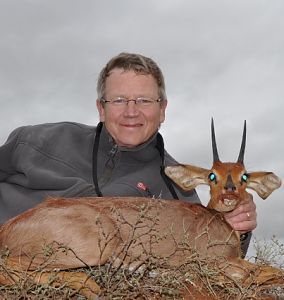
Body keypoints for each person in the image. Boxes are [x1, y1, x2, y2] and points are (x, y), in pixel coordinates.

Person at [0, 52, 256, 254]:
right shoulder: (38, 141)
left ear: (163, 109)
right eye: (119, 100)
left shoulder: (177, 188)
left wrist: (237, 229)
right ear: (101, 108)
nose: (131, 112)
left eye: (144, 101)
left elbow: (207, 251)